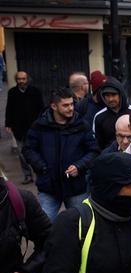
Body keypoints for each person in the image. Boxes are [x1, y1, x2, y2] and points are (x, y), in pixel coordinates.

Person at [23, 87, 99, 221]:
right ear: (54, 106)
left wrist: (79, 166)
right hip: (48, 186)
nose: (70, 108)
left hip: (76, 187)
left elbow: (93, 150)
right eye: (65, 105)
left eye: (72, 104)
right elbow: (28, 149)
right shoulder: (40, 126)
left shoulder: (82, 125)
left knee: (81, 225)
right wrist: (42, 167)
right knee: (43, 225)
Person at [4, 71, 44, 184]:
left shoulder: (35, 91)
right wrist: (8, 124)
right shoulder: (12, 92)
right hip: (18, 129)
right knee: (22, 154)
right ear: (16, 80)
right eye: (19, 79)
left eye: (23, 79)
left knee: (36, 152)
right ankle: (27, 175)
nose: (21, 81)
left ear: (27, 79)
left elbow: (41, 108)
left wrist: (41, 123)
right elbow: (9, 108)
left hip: (34, 128)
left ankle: (39, 173)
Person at [92, 77, 131, 150]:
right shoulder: (99, 116)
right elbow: (98, 144)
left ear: (120, 95)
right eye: (107, 96)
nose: (110, 99)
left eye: (113, 95)